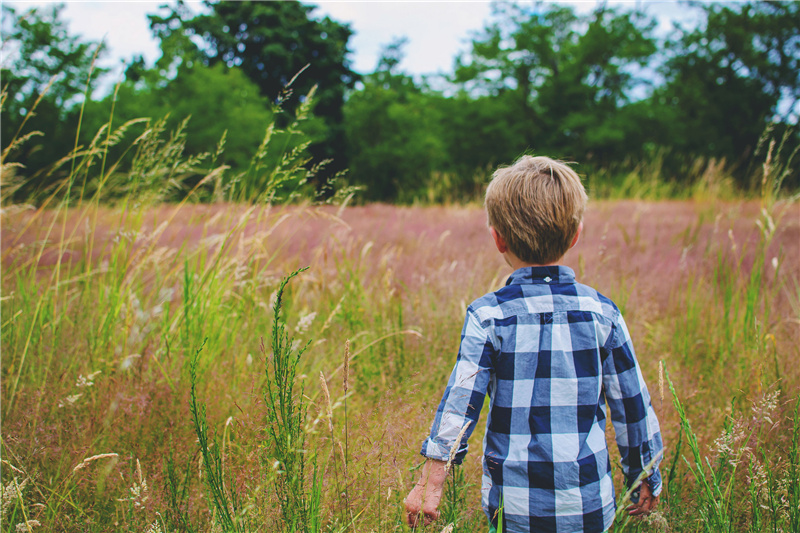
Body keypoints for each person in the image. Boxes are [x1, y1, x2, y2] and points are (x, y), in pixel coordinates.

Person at [404, 156, 663, 533]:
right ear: (575, 235)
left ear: (498, 239)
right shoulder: (602, 313)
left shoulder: (488, 316)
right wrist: (645, 473)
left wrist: (431, 481)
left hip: (515, 509)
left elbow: (460, 406)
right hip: (589, 504)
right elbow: (632, 405)